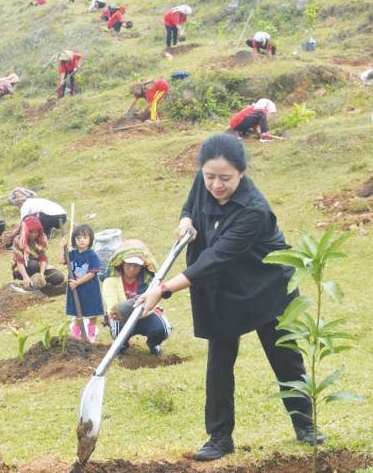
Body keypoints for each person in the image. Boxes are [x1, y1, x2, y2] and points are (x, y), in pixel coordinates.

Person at [136, 134, 322, 461]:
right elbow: (191, 205)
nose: (216, 185)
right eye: (210, 177)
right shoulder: (203, 180)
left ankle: (305, 425)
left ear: (242, 173)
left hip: (266, 287)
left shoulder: (254, 210)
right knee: (219, 363)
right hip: (222, 289)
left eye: (226, 179)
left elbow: (216, 257)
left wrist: (163, 288)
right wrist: (186, 220)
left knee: (285, 357)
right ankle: (220, 437)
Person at [102, 240, 172, 356]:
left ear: (142, 266)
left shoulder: (150, 280)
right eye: (128, 265)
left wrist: (140, 313)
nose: (132, 269)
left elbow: (153, 302)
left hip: (146, 314)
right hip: (122, 318)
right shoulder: (110, 281)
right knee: (116, 326)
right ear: (122, 264)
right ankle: (122, 345)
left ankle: (153, 344)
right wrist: (126, 310)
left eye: (136, 266)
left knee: (163, 328)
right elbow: (113, 308)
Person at [63, 224, 104, 342]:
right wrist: (62, 247)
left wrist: (78, 282)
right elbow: (62, 260)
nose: (81, 240)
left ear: (90, 239)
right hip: (76, 289)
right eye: (78, 238)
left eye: (85, 237)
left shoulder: (92, 256)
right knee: (77, 312)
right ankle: (76, 335)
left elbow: (92, 273)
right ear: (74, 240)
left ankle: (91, 335)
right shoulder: (72, 254)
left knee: (92, 312)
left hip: (90, 289)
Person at [12, 216, 65, 290]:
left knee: (58, 277)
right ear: (26, 230)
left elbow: (43, 258)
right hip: (24, 268)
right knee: (32, 265)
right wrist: (25, 277)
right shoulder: (19, 240)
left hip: (39, 266)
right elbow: (19, 261)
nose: (33, 235)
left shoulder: (42, 239)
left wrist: (41, 274)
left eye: (36, 232)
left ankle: (39, 283)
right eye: (30, 232)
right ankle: (28, 282)